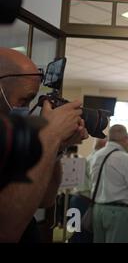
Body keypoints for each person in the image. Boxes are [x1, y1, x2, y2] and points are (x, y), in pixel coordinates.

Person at [0, 48, 88, 242]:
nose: (27, 109)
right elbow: (6, 231)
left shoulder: (10, 141)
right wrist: (50, 134)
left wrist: (56, 147)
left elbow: (44, 199)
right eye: (24, 100)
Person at [90, 124, 128, 243]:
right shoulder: (125, 159)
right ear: (125, 139)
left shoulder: (96, 156)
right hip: (119, 213)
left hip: (97, 210)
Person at [68, 137, 107, 243]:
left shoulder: (89, 157)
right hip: (85, 203)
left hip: (75, 200)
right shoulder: (97, 160)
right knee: (85, 234)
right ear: (104, 146)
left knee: (74, 231)